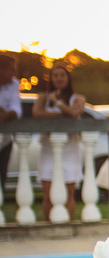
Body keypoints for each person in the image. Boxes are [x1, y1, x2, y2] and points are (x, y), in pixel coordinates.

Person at [32, 64, 86, 220]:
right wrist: (63, 115)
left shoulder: (78, 98)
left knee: (69, 192)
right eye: (55, 75)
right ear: (50, 78)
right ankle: (48, 224)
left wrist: (56, 102)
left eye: (62, 75)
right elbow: (37, 113)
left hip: (70, 149)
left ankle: (69, 224)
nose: (59, 78)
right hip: (49, 149)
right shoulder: (43, 97)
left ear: (68, 78)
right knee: (48, 193)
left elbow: (75, 113)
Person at [0, 54, 21, 200]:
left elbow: (16, 108)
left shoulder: (14, 84)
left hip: (5, 141)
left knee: (2, 175)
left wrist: (7, 114)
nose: (15, 72)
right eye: (12, 69)